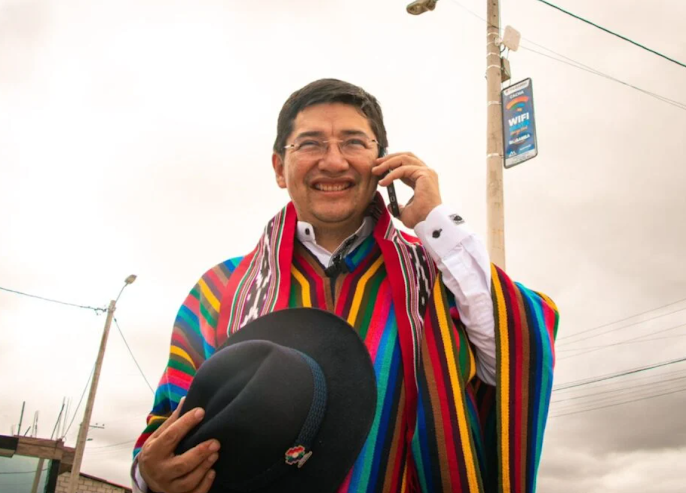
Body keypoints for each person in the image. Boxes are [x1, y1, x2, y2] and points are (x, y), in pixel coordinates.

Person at [132, 79, 559, 493]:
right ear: (280, 168)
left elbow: (513, 359)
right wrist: (151, 474)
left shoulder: (441, 275)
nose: (334, 162)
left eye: (354, 142)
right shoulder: (218, 290)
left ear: (383, 163)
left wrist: (437, 222)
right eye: (311, 143)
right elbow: (167, 425)